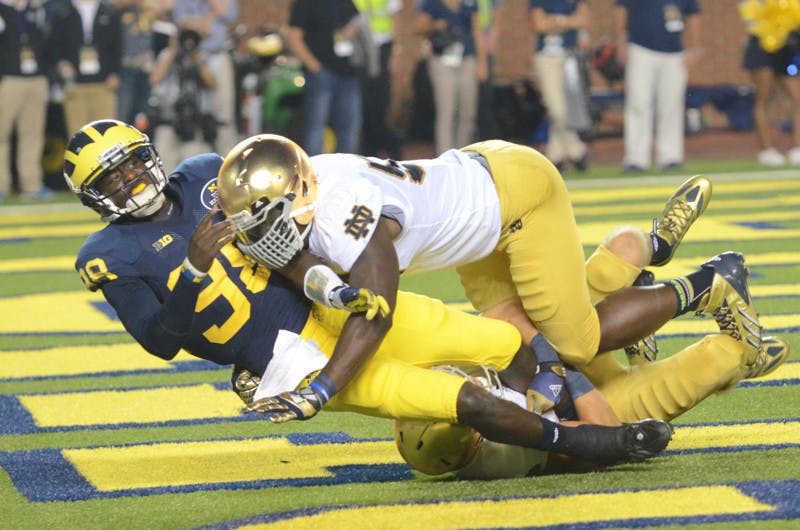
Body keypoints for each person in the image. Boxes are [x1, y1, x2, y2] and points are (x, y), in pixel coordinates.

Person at [62, 118, 674, 467]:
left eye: (131, 163)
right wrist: (195, 272)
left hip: (331, 306)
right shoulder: (106, 257)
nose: (131, 180)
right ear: (94, 196)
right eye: (111, 178)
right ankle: (599, 442)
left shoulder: (204, 174)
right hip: (291, 362)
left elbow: (281, 252)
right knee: (460, 401)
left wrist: (328, 287)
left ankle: (571, 381)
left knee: (508, 338)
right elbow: (160, 343)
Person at [216, 134, 762, 419]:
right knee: (511, 332)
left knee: (575, 341)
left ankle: (711, 281)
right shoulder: (310, 186)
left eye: (263, 220)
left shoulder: (344, 217)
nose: (255, 236)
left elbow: (374, 313)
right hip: (476, 199)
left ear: (299, 197)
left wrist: (323, 388)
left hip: (516, 198)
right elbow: (307, 275)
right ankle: (645, 255)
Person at [395, 329, 790, 479]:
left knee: (567, 314)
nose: (470, 383)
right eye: (467, 399)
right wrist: (566, 372)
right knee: (721, 354)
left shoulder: (440, 369)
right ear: (476, 438)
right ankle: (740, 363)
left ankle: (656, 252)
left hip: (566, 368)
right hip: (598, 404)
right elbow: (602, 435)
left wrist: (547, 355)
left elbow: (504, 315)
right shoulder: (505, 451)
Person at [614, 0, 703, 172]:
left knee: (671, 106)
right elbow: (621, 9)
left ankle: (671, 157)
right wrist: (621, 41)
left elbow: (694, 14)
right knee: (638, 104)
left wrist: (696, 47)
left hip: (675, 53)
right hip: (640, 49)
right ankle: (636, 159)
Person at [287, 0, 363, 156]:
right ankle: (315, 175)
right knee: (316, 128)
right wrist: (315, 67)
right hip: (321, 75)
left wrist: (350, 30)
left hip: (348, 74)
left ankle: (346, 173)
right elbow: (294, 37)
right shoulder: (305, 3)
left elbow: (356, 21)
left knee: (349, 128)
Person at [415, 0, 489, 153]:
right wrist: (436, 26)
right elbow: (420, 26)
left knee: (468, 110)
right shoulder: (431, 3)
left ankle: (462, 154)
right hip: (442, 57)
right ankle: (445, 156)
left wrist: (482, 62)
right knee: (446, 109)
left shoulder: (470, 3)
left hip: (467, 57)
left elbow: (477, 30)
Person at [0, 0, 54, 201]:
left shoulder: (35, 10)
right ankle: (1, 184)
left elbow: (47, 43)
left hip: (35, 79)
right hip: (8, 79)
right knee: (1, 135)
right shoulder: (3, 10)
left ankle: (31, 184)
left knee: (33, 134)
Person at [171, 0, 239, 155]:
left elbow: (229, 14)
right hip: (191, 55)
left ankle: (228, 155)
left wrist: (208, 15)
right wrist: (206, 22)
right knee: (191, 107)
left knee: (223, 114)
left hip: (217, 55)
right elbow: (183, 23)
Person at [530, 0, 590, 172]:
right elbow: (539, 25)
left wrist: (556, 21)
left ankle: (555, 155)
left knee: (567, 107)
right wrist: (567, 21)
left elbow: (583, 20)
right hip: (546, 57)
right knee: (557, 110)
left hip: (569, 56)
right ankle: (577, 150)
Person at [148, 27, 218, 172]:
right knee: (164, 165)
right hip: (168, 119)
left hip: (195, 123)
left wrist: (197, 58)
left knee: (194, 166)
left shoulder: (203, 56)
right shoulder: (167, 54)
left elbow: (212, 82)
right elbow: (155, 79)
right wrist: (173, 51)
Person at [739, 4, 800, 167]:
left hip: (788, 43)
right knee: (764, 97)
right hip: (761, 43)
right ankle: (767, 150)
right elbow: (749, 14)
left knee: (796, 98)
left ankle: (797, 147)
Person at [49, 0, 122, 138]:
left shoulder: (110, 12)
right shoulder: (63, 13)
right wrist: (61, 64)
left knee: (106, 134)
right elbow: (54, 45)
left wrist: (115, 73)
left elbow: (117, 47)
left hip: (104, 83)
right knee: (78, 135)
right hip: (74, 84)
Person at [353, 0, 404, 159]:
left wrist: (396, 52)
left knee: (380, 100)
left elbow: (395, 19)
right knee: (365, 102)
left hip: (382, 47)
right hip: (360, 48)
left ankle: (384, 143)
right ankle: (376, 145)